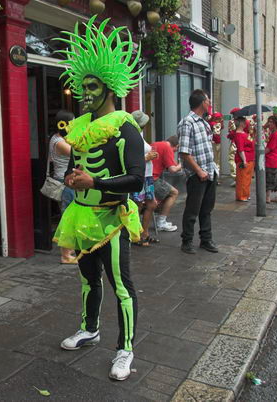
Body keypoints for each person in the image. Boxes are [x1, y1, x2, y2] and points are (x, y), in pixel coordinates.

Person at [53, 16, 145, 381]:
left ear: (108, 89)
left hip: (113, 218)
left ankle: (125, 349)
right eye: (82, 87)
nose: (84, 93)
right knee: (88, 280)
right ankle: (90, 328)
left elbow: (137, 179)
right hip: (81, 215)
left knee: (121, 285)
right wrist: (71, 178)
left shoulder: (124, 127)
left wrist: (96, 181)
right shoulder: (80, 127)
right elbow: (73, 167)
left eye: (91, 87)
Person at [178, 89, 219, 255]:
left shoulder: (202, 122)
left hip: (210, 171)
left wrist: (211, 170)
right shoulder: (187, 123)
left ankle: (206, 239)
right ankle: (186, 241)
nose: (209, 103)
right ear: (202, 102)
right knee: (192, 210)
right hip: (197, 174)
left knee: (207, 209)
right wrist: (199, 171)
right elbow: (184, 153)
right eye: (208, 100)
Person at [48, 109, 76, 263]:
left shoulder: (58, 138)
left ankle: (69, 250)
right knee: (68, 219)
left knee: (69, 217)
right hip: (65, 184)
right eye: (72, 122)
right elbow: (78, 152)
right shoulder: (59, 142)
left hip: (66, 182)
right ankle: (65, 255)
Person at [131, 110, 160, 246]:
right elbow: (130, 161)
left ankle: (144, 233)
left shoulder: (139, 134)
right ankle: (137, 235)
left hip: (147, 175)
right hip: (140, 175)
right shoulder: (131, 136)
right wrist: (147, 157)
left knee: (151, 204)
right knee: (137, 205)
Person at [151, 136, 182, 230]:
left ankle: (159, 217)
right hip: (153, 179)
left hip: (145, 178)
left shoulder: (155, 144)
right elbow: (173, 169)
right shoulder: (167, 147)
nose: (175, 152)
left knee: (165, 192)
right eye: (176, 149)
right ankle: (161, 222)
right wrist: (182, 164)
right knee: (174, 193)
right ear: (176, 146)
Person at [233, 116, 255, 202]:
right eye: (244, 122)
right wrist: (244, 160)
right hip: (244, 160)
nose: (246, 124)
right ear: (241, 123)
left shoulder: (243, 133)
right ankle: (242, 195)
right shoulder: (239, 135)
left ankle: (246, 194)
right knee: (243, 179)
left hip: (249, 159)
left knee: (247, 179)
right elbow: (240, 149)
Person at [265, 115, 277, 203]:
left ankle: (267, 197)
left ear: (276, 123)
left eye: (271, 122)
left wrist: (260, 154)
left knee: (269, 179)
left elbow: (270, 147)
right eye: (269, 121)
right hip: (276, 159)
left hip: (272, 159)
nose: (269, 124)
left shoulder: (276, 134)